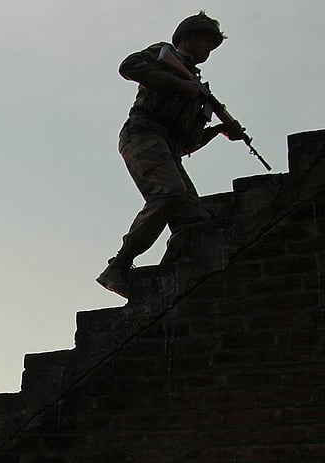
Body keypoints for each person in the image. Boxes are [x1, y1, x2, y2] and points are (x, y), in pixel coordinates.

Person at [97, 12, 246, 299]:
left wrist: (218, 131)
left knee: (194, 220)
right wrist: (181, 84)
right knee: (169, 194)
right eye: (206, 41)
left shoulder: (199, 87)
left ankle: (162, 282)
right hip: (142, 135)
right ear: (188, 36)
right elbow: (129, 66)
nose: (208, 50)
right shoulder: (163, 54)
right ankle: (119, 266)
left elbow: (187, 142)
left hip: (169, 149)